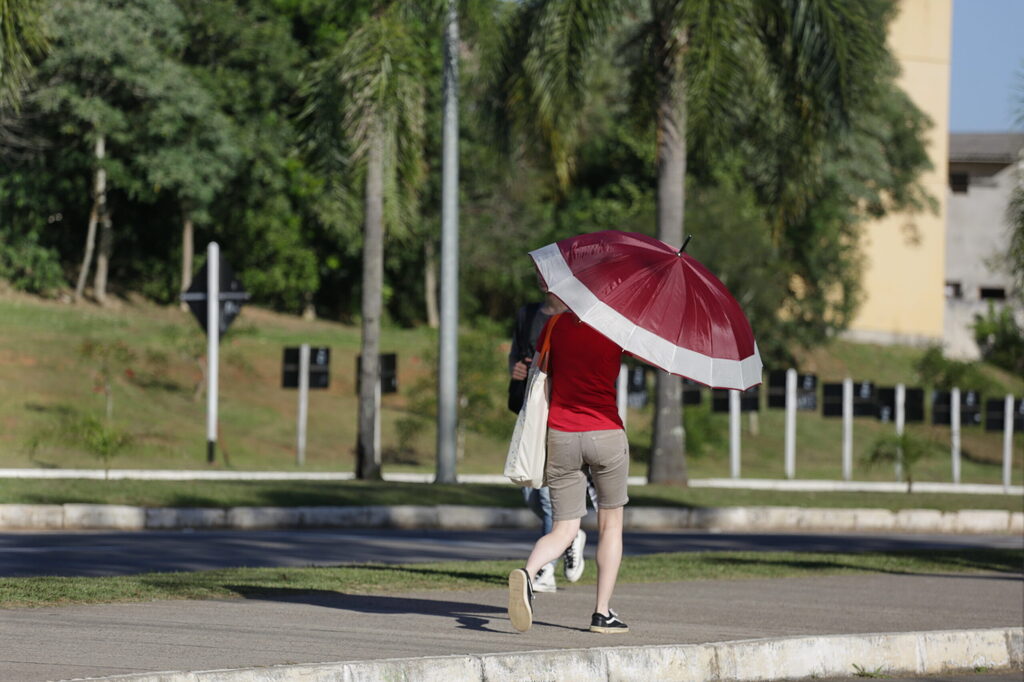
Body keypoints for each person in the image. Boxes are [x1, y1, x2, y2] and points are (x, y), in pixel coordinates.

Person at [508, 306, 630, 634]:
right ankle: (602, 613)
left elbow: (540, 371)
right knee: (611, 525)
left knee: (564, 529)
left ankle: (529, 573)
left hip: (562, 434)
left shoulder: (554, 324)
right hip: (606, 432)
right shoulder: (617, 326)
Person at [508, 292, 587, 593]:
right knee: (529, 493)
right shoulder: (528, 314)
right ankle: (569, 535)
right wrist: (516, 370)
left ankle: (545, 571)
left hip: (561, 412)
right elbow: (517, 356)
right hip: (532, 411)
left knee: (544, 496)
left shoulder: (577, 318)